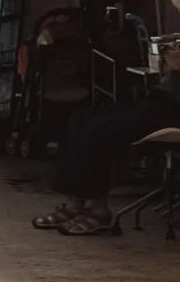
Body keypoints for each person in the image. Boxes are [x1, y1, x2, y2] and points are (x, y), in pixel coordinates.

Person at [31, 42, 180, 235]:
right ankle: (74, 203)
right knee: (79, 118)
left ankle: (99, 210)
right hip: (159, 100)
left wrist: (170, 56)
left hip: (173, 111)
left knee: (97, 130)